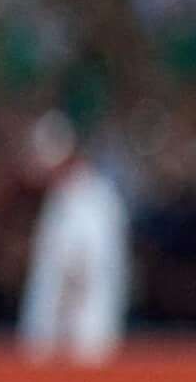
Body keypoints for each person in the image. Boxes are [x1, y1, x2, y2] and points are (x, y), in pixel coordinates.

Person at [18, 114, 129, 361]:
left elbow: (80, 271)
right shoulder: (62, 197)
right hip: (61, 342)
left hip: (78, 342)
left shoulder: (92, 199)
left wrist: (62, 335)